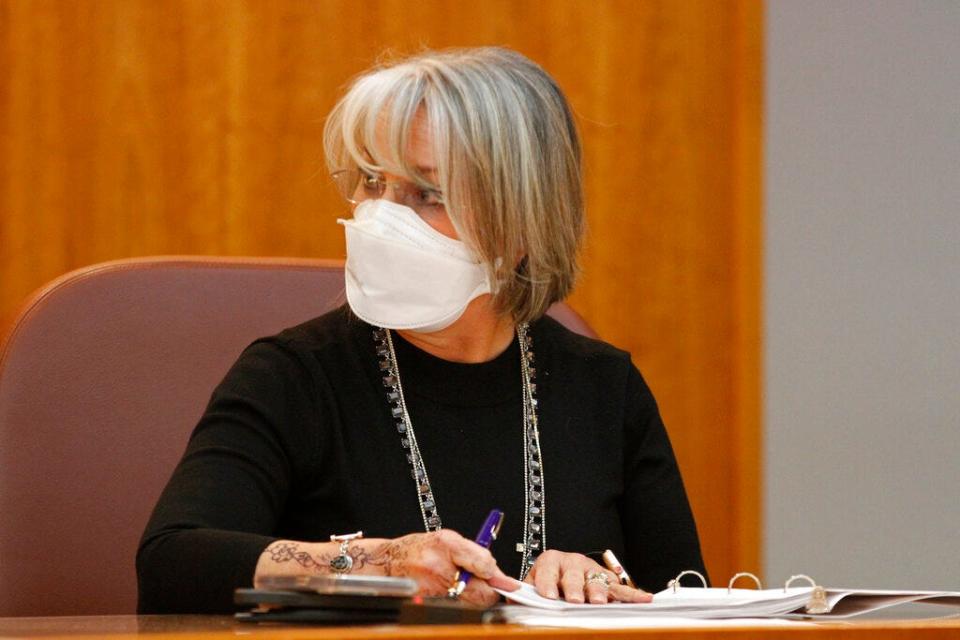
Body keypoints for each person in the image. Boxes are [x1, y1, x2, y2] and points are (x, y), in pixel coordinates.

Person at [137, 46, 706, 614]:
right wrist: (371, 563)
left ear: (523, 222)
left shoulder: (605, 388)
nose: (381, 217)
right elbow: (172, 564)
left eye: (427, 194)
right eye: (370, 182)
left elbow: (688, 603)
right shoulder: (293, 375)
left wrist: (599, 586)